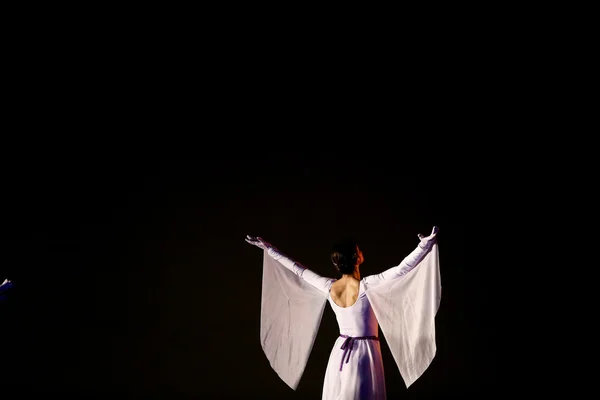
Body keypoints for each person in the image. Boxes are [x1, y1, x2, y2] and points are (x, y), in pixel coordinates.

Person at [245, 226, 441, 400]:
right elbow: (402, 269)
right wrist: (423, 246)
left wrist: (270, 249)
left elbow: (297, 270)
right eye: (359, 251)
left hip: (340, 352)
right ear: (357, 259)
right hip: (365, 353)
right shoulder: (367, 286)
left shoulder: (329, 286)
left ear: (337, 264)